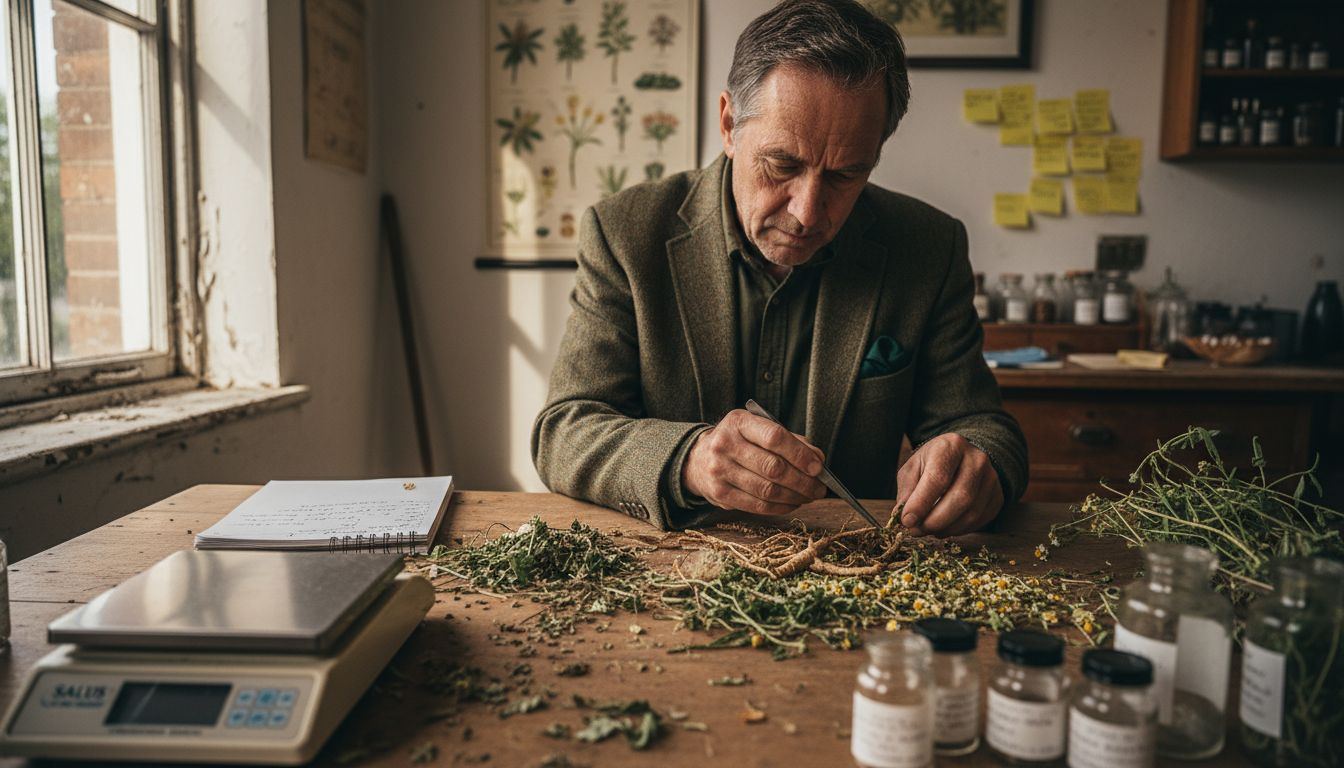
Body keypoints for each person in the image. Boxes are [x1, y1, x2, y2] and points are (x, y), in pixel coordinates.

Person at [532, 0, 1026, 536]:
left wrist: (982, 464)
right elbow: (566, 429)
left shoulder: (928, 247)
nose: (808, 212)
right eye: (783, 165)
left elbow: (982, 426)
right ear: (728, 124)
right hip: (666, 571)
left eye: (845, 176)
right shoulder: (626, 234)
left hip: (856, 571)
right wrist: (688, 459)